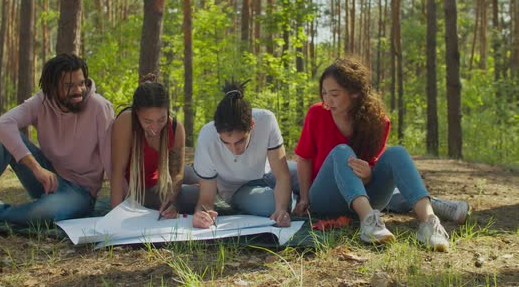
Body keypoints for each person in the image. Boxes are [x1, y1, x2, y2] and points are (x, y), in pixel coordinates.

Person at [0, 54, 114, 237]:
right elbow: (2, 124)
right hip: (47, 178)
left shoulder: (99, 107)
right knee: (3, 140)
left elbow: (112, 160)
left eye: (81, 83)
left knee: (44, 214)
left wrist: (120, 207)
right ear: (52, 88)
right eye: (69, 86)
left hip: (80, 193)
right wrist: (35, 167)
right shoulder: (42, 102)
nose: (78, 91)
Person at [293, 57, 450, 251]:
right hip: (326, 198)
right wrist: (304, 199)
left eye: (334, 93)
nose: (327, 100)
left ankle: (430, 223)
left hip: (368, 196)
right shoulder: (316, 114)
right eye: (324, 93)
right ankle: (369, 223)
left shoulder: (378, 122)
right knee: (342, 151)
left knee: (398, 152)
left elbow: (374, 168)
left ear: (355, 93)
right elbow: (304, 158)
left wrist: (369, 174)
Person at [192, 80, 294, 229]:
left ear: (252, 125)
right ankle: (295, 199)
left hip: (268, 172)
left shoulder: (266, 120)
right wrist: (201, 215)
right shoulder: (207, 138)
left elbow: (282, 175)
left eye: (240, 141)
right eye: (226, 143)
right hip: (237, 189)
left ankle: (296, 197)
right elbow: (206, 198)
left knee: (306, 175)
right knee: (271, 205)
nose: (234, 150)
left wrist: (282, 209)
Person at [110, 75, 197, 217]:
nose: (155, 127)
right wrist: (114, 216)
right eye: (148, 121)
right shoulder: (126, 121)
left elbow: (177, 173)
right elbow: (117, 172)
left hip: (163, 175)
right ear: (137, 113)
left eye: (161, 119)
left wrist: (171, 200)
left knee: (208, 183)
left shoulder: (175, 127)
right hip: (138, 187)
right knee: (196, 195)